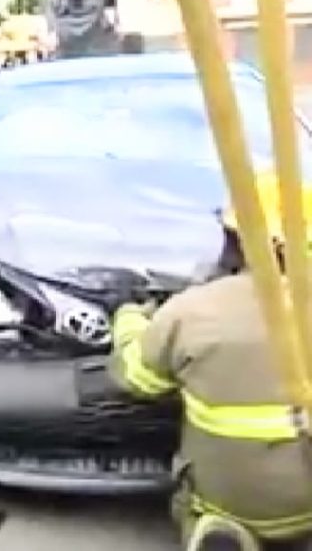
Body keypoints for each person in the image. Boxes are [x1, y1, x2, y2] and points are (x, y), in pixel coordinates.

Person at [109, 176, 312, 551]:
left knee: (204, 514)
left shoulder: (193, 311)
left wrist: (129, 321)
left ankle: (218, 531)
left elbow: (139, 380)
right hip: (305, 502)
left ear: (239, 241)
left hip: (231, 500)